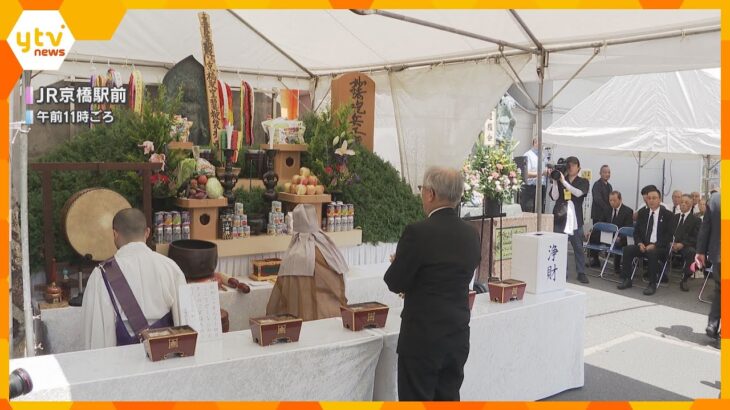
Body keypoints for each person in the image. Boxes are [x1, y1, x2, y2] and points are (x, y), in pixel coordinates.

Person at [384, 166, 481, 401]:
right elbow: (458, 274)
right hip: (457, 333)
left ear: (430, 194)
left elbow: (394, 281)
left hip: (422, 337)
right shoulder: (471, 234)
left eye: (422, 189)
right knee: (448, 397)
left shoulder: (418, 232)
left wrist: (402, 265)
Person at [81, 208, 187, 349]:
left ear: (114, 234)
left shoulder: (101, 275)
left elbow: (97, 333)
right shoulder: (170, 267)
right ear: (147, 232)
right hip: (164, 356)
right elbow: (185, 322)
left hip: (123, 362)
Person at [266, 204, 349, 321]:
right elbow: (339, 285)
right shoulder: (327, 250)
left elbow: (281, 297)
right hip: (330, 318)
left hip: (300, 321)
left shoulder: (293, 256)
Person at [617, 185, 674, 295]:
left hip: (660, 247)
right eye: (649, 198)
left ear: (660, 199)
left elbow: (669, 235)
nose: (651, 200)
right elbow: (636, 232)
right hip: (643, 245)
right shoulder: (643, 213)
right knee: (628, 250)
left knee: (652, 252)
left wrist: (655, 245)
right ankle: (627, 279)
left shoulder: (668, 215)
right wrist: (639, 243)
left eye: (654, 198)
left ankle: (652, 284)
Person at [549, 156, 590, 284]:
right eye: (569, 164)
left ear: (578, 167)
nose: (571, 167)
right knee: (560, 246)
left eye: (573, 165)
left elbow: (578, 193)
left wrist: (563, 182)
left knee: (578, 246)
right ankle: (562, 271)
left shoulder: (583, 181)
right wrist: (555, 181)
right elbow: (554, 197)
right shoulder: (561, 179)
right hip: (561, 216)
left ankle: (581, 272)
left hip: (575, 218)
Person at [696, 191, 720, 340]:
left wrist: (700, 251)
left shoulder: (715, 198)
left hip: (719, 253)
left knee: (721, 289)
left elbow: (705, 228)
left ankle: (713, 322)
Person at [672, 194, 701, 292]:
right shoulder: (674, 217)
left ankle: (684, 278)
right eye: (682, 202)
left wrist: (682, 244)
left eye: (686, 202)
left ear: (691, 205)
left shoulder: (696, 220)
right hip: (671, 244)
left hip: (685, 245)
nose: (683, 204)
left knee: (691, 252)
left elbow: (695, 237)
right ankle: (660, 274)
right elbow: (667, 232)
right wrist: (670, 242)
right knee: (657, 247)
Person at [587, 165, 613, 267]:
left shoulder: (609, 186)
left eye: (609, 172)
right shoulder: (596, 185)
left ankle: (605, 254)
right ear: (600, 173)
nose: (607, 174)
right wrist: (607, 208)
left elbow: (612, 199)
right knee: (595, 236)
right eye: (605, 172)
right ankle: (594, 258)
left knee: (606, 236)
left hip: (607, 216)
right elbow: (597, 200)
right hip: (598, 214)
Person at [605, 191, 634, 272]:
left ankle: (618, 267)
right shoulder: (607, 209)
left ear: (620, 199)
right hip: (608, 235)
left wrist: (620, 237)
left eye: (614, 200)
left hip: (621, 237)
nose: (612, 202)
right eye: (610, 200)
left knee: (619, 242)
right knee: (593, 236)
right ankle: (595, 260)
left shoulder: (627, 211)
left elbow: (628, 227)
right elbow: (602, 222)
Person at [520, 137, 547, 213]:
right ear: (534, 143)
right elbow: (525, 173)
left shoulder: (543, 156)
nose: (542, 145)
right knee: (529, 211)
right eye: (540, 142)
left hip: (541, 188)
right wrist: (541, 173)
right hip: (530, 188)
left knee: (539, 212)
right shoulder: (528, 155)